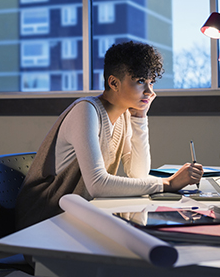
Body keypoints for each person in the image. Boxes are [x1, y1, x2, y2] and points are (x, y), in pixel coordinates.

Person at [15, 40, 203, 230]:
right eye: (140, 81)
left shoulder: (124, 115)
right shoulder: (86, 111)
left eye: (151, 82)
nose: (150, 92)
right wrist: (167, 183)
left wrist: (139, 118)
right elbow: (97, 184)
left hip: (77, 218)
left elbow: (138, 174)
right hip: (44, 222)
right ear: (114, 82)